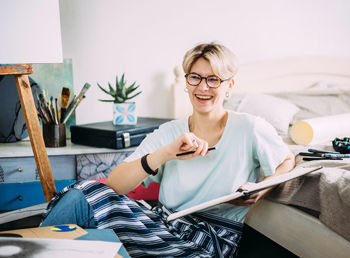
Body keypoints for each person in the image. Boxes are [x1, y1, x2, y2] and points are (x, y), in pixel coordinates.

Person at [41, 42, 295, 257]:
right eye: (195, 77)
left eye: (213, 79)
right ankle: (29, 248)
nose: (203, 87)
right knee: (86, 193)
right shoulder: (170, 132)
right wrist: (166, 153)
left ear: (229, 85)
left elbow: (287, 161)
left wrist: (262, 188)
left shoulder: (250, 127)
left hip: (211, 239)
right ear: (186, 81)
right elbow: (115, 185)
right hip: (163, 224)